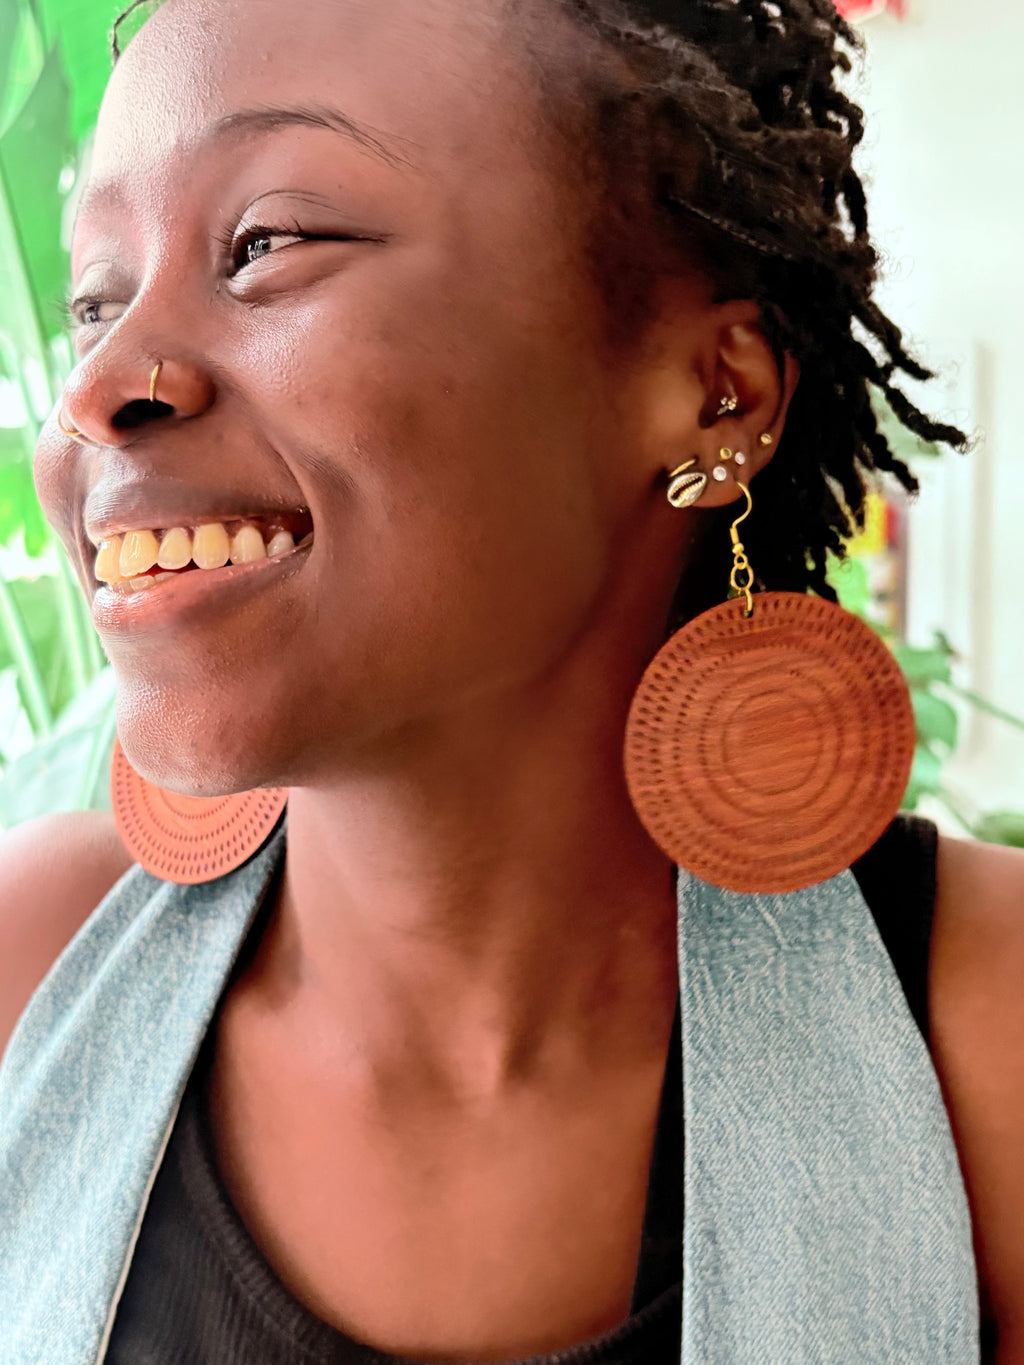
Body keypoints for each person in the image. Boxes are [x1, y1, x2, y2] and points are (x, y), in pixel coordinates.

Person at [1, 0, 1022, 1361]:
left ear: (713, 394)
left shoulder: (986, 1034)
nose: (99, 387)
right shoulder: (28, 967)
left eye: (269, 243)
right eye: (96, 297)